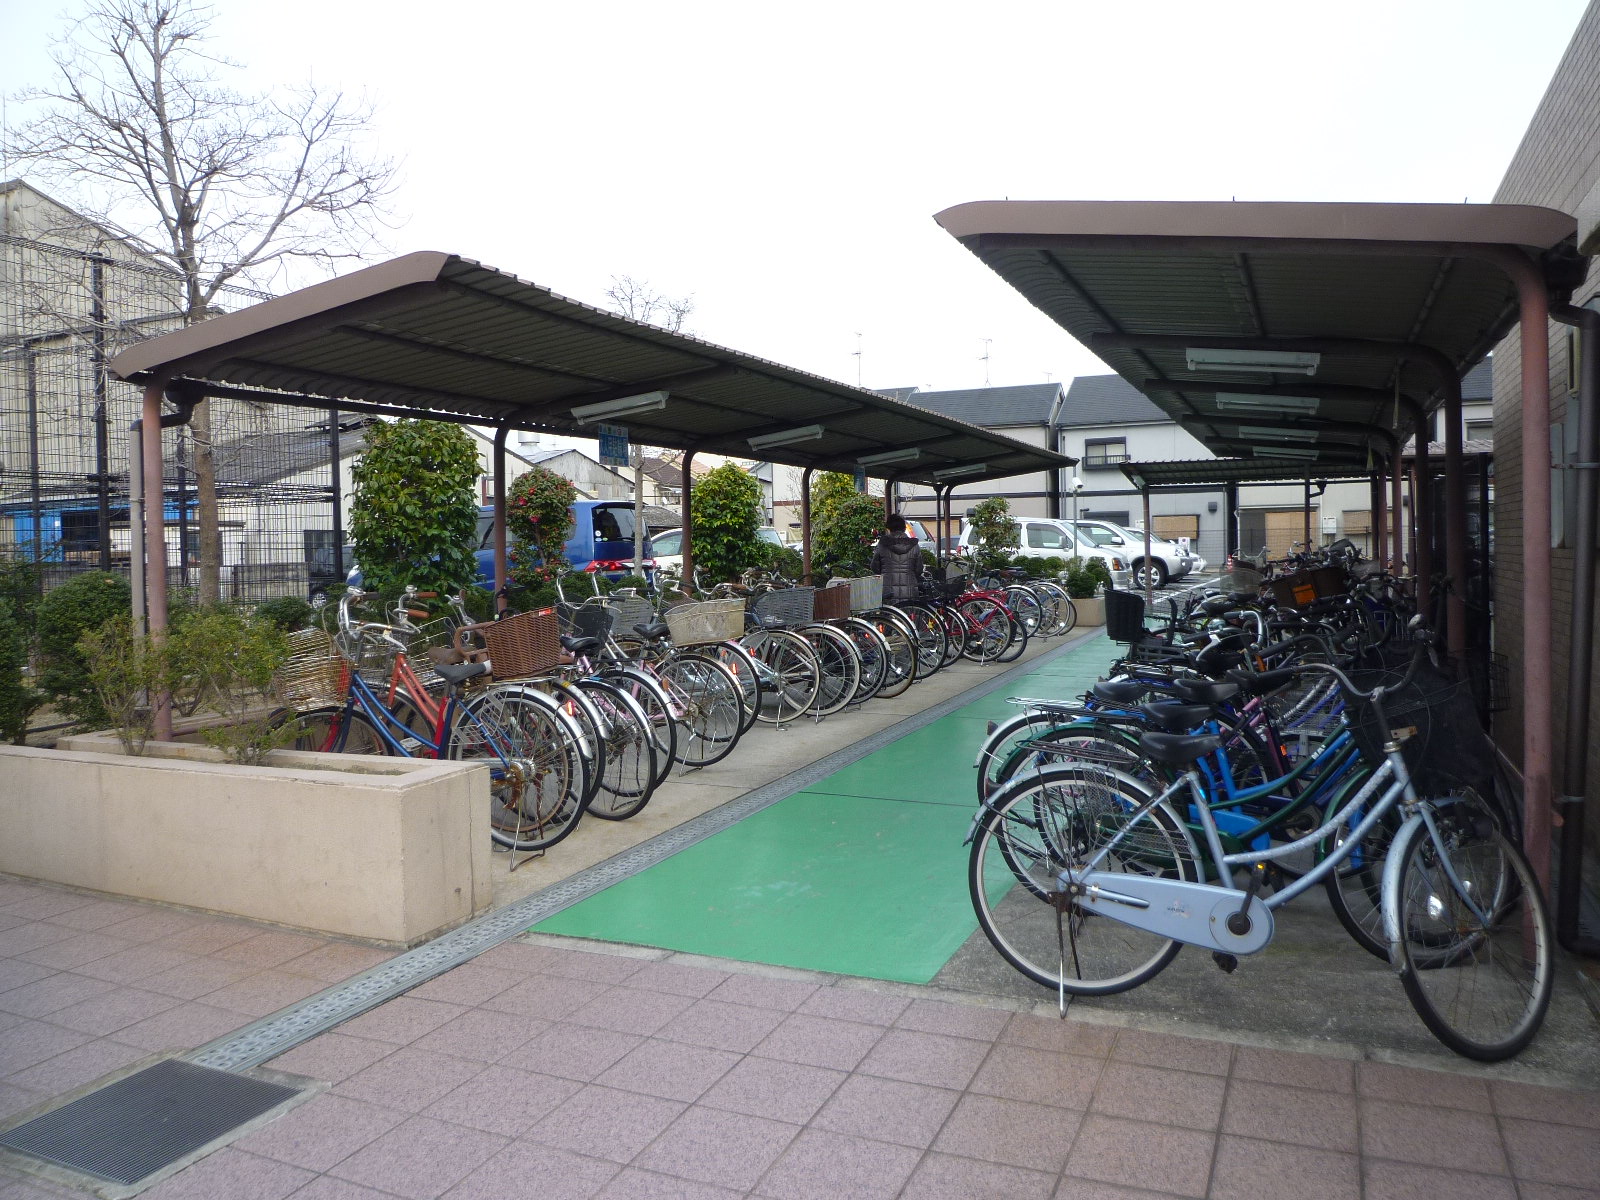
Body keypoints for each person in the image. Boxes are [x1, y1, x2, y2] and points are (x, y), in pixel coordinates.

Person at [871, 513, 922, 601]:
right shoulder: (914, 545)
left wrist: (885, 573)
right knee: (909, 614)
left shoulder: (883, 544)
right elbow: (919, 569)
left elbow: (874, 567)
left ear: (889, 528)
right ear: (904, 528)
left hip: (888, 592)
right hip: (910, 591)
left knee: (888, 614)